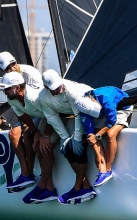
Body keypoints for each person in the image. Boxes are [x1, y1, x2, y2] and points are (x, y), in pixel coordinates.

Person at [0, 71, 58, 204]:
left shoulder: (34, 98)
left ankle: (46, 187)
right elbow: (22, 115)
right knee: (27, 135)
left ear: (18, 88)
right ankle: (28, 175)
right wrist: (35, 131)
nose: (5, 92)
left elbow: (52, 115)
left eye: (7, 89)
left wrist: (45, 135)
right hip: (43, 116)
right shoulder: (12, 98)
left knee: (44, 146)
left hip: (56, 114)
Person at [38, 69, 96, 205]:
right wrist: (64, 137)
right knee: (67, 148)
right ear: (46, 88)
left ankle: (79, 187)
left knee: (78, 144)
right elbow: (52, 117)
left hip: (88, 111)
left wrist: (76, 138)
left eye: (59, 85)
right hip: (69, 117)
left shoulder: (71, 91)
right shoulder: (43, 97)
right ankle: (85, 187)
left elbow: (79, 114)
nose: (59, 88)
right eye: (54, 88)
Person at [74, 86, 133, 188]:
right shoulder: (82, 108)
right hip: (102, 113)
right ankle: (102, 171)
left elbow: (112, 121)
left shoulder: (106, 99)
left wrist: (97, 136)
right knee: (93, 135)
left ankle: (108, 170)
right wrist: (97, 154)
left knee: (111, 134)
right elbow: (90, 133)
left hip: (122, 108)